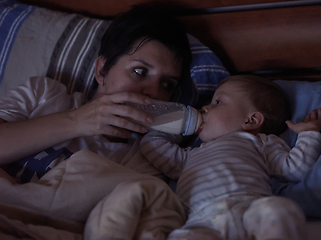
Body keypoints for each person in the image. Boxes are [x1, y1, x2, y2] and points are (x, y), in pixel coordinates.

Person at [0, 4, 192, 183]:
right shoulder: (43, 94)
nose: (154, 92)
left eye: (167, 84)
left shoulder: (146, 158)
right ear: (102, 70)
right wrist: (76, 121)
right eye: (140, 71)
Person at [140, 75, 321, 240]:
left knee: (279, 209)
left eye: (218, 102)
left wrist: (308, 134)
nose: (205, 108)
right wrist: (178, 126)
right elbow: (152, 146)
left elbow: (295, 168)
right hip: (201, 221)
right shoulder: (189, 154)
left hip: (249, 211)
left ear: (251, 120)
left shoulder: (260, 143)